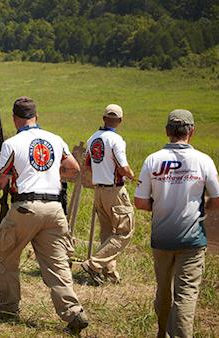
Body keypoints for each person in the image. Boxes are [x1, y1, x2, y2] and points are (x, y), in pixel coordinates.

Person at [0, 97, 89, 334]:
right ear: (36, 116)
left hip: (26, 206)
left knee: (6, 258)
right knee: (57, 265)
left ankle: (8, 309)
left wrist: (0, 167)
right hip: (55, 209)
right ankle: (74, 312)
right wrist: (51, 176)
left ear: (15, 118)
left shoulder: (12, 143)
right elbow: (73, 169)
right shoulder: (56, 139)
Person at [134, 109, 219, 338]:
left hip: (162, 238)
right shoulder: (204, 160)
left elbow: (140, 202)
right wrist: (201, 208)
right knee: (185, 296)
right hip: (192, 239)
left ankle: (162, 332)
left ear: (167, 131)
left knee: (164, 293)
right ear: (191, 132)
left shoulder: (152, 160)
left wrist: (163, 207)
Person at [80, 103, 135, 285]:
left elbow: (87, 165)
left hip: (99, 191)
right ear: (120, 121)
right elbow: (122, 167)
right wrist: (132, 175)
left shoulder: (92, 139)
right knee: (124, 232)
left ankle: (109, 272)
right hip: (114, 189)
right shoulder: (116, 140)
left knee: (107, 233)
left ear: (103, 118)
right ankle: (94, 264)